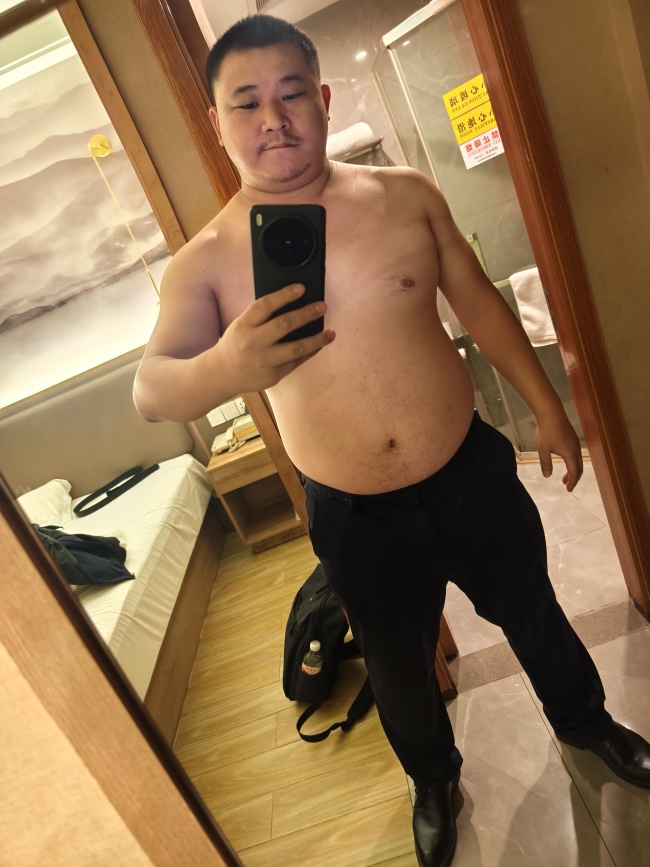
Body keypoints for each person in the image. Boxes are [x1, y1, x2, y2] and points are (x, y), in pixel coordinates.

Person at [133, 14, 650, 867]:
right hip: (354, 512)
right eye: (248, 103)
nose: (274, 119)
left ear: (323, 99)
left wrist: (548, 407)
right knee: (399, 663)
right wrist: (228, 363)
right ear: (218, 123)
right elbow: (153, 389)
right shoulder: (208, 262)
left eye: (291, 94)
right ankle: (433, 781)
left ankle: (587, 722)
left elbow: (477, 300)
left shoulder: (405, 194)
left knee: (532, 607)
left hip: (467, 470)